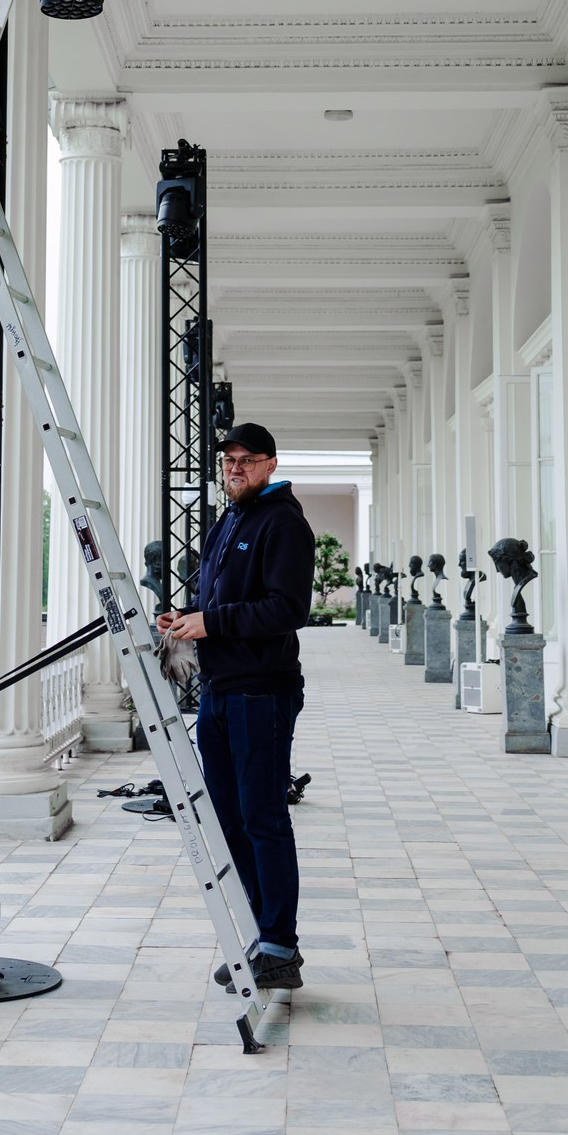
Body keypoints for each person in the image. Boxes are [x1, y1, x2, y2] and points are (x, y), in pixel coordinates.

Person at [156, 420, 312, 990]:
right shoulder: (231, 519)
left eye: (247, 460)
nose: (235, 469)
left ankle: (280, 945)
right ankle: (257, 929)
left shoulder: (283, 522)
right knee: (227, 818)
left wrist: (212, 621)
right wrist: (186, 619)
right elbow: (219, 598)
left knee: (263, 817)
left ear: (271, 463)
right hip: (221, 690)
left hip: (260, 693)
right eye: (228, 462)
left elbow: (288, 608)